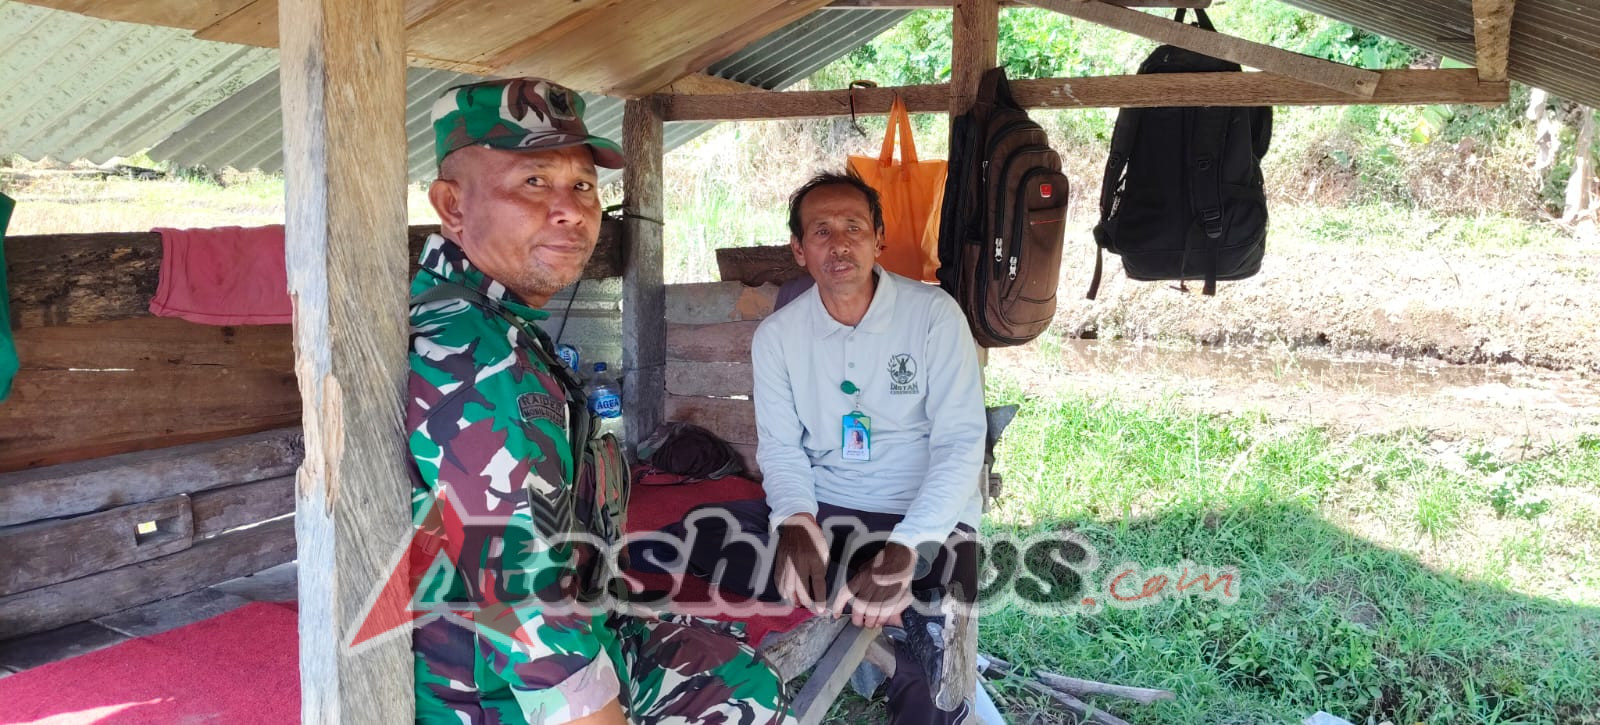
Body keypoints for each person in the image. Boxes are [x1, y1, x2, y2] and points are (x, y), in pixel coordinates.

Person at [405, 77, 788, 725]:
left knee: (731, 665)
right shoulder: (470, 350)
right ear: (452, 204)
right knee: (743, 700)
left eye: (582, 186)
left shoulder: (490, 320)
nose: (571, 210)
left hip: (546, 633)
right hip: (493, 697)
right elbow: (520, 600)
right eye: (534, 181)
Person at [645, 172, 986, 724]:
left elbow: (961, 445)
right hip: (830, 507)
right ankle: (873, 594)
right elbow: (780, 449)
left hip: (927, 513)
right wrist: (796, 520)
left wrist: (905, 549)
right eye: (821, 231)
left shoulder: (933, 315)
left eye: (853, 226)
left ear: (879, 237)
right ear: (799, 250)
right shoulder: (779, 336)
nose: (840, 242)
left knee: (939, 631)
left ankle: (901, 605)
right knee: (698, 534)